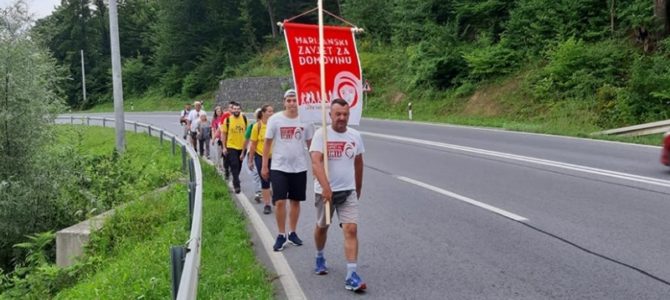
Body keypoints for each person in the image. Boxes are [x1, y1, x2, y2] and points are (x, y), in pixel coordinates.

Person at [310, 98, 366, 292]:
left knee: (351, 229)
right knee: (322, 226)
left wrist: (357, 188)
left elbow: (359, 163)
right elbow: (316, 162)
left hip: (347, 191)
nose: (342, 118)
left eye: (345, 114)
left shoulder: (355, 136)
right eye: (338, 114)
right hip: (324, 192)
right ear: (330, 115)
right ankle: (319, 256)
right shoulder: (321, 134)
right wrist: (326, 187)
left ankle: (351, 274)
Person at [262, 89, 314, 251]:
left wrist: (316, 167)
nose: (292, 103)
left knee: (296, 201)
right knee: (279, 201)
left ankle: (292, 232)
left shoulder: (306, 121)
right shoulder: (275, 120)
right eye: (289, 100)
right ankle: (280, 234)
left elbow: (310, 145)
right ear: (284, 102)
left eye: (294, 100)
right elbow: (267, 143)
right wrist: (264, 165)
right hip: (279, 167)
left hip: (299, 167)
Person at [248, 104, 274, 214]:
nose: (271, 113)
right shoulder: (257, 126)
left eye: (272, 111)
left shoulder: (275, 125)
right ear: (263, 113)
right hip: (260, 155)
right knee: (265, 179)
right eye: (269, 111)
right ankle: (267, 204)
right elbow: (253, 145)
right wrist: (250, 160)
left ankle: (275, 196)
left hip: (275, 157)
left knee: (276, 179)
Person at [220, 101, 247, 194]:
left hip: (242, 146)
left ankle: (235, 178)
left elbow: (247, 134)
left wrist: (246, 147)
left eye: (238, 109)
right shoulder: (227, 120)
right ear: (232, 110)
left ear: (240, 109)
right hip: (231, 146)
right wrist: (224, 147)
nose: (236, 110)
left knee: (239, 166)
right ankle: (237, 185)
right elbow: (223, 134)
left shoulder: (244, 118)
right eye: (234, 109)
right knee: (234, 165)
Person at [243, 108, 263, 203]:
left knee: (263, 173)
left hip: (266, 153)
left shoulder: (270, 126)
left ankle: (263, 190)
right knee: (256, 173)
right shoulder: (252, 126)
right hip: (254, 152)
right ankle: (258, 192)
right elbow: (246, 139)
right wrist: (243, 152)